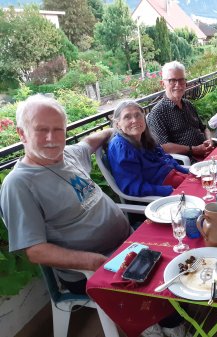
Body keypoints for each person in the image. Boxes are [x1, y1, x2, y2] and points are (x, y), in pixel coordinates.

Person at [0, 95, 190, 337]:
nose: (52, 138)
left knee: (177, 253)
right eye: (41, 130)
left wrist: (111, 132)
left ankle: (166, 317)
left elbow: (90, 141)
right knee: (157, 282)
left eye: (58, 129)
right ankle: (154, 325)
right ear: (22, 133)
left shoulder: (67, 155)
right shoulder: (19, 184)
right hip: (93, 265)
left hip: (126, 242)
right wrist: (94, 261)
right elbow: (35, 250)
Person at [108, 100, 189, 197]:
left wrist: (189, 173)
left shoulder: (144, 138)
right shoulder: (121, 147)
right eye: (127, 117)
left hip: (177, 179)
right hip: (162, 195)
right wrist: (170, 191)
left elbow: (167, 161)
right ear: (118, 124)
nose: (134, 120)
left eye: (138, 115)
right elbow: (133, 187)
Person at [147, 61, 214, 160]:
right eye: (172, 80)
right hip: (188, 161)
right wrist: (194, 149)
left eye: (181, 80)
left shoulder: (188, 104)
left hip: (207, 152)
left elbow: (204, 128)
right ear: (163, 84)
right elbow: (163, 146)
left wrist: (209, 140)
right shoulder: (158, 113)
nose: (178, 85)